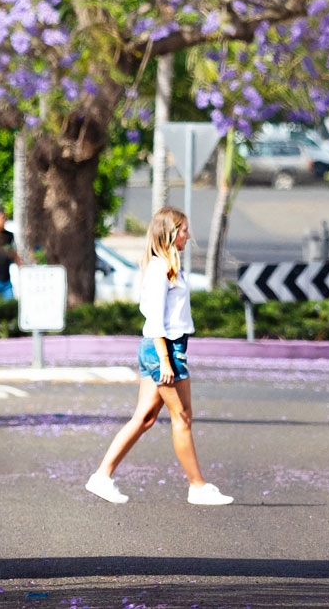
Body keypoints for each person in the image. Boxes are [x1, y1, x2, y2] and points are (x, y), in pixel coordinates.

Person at [85, 206, 232, 506]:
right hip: (164, 349)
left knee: (146, 417)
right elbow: (155, 321)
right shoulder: (159, 269)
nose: (189, 236)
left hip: (165, 348)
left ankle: (101, 477)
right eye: (184, 230)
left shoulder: (169, 266)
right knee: (182, 417)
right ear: (171, 233)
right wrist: (165, 360)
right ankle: (197, 486)